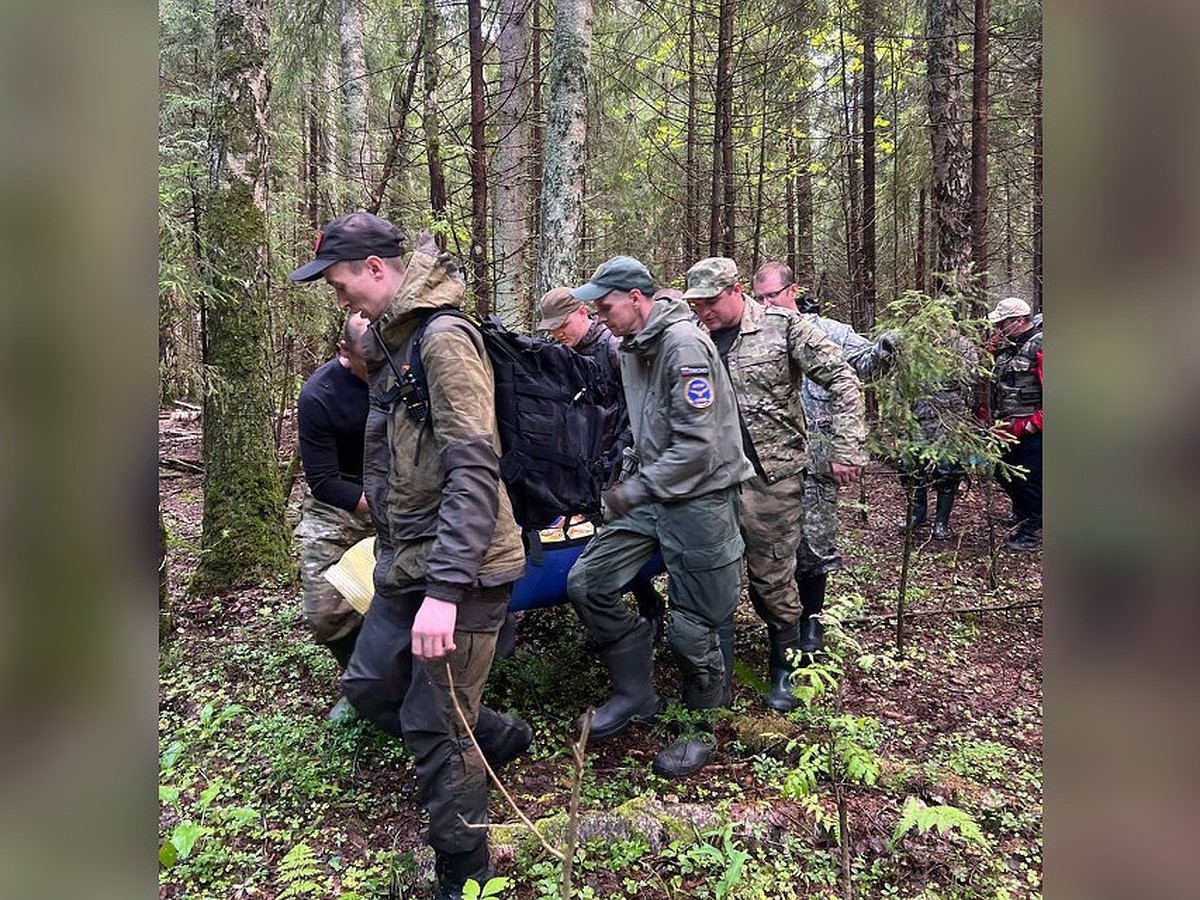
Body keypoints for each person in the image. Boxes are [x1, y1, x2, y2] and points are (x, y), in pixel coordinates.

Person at [289, 212, 532, 900]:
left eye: (339, 283)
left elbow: (473, 470)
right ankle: (497, 735)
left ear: (374, 269)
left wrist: (447, 591)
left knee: (435, 726)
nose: (338, 298)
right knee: (368, 686)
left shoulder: (445, 341)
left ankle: (465, 872)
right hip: (407, 560)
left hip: (465, 566)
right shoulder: (393, 344)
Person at [564, 255, 753, 779]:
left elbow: (698, 447)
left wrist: (635, 489)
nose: (600, 318)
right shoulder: (632, 348)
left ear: (636, 298)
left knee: (696, 627)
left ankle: (702, 727)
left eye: (606, 307)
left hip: (701, 499)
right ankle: (635, 693)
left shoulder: (683, 347)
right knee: (588, 582)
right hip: (653, 492)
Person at [686, 258, 866, 713]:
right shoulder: (690, 337)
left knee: (772, 576)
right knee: (714, 574)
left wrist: (846, 447)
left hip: (770, 478)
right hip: (709, 480)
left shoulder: (783, 326)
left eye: (711, 301)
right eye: (697, 303)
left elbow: (843, 379)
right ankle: (716, 673)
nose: (704, 310)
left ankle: (784, 665)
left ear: (736, 290)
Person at [751, 262, 899, 657]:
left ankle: (811, 622)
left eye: (773, 295)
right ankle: (780, 623)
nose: (767, 304)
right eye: (760, 297)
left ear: (793, 291)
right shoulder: (756, 339)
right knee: (772, 549)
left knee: (814, 547)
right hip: (770, 465)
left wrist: (887, 347)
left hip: (817, 465)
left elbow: (865, 365)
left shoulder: (828, 332)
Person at [536, 286, 666, 628]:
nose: (557, 333)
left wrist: (623, 457)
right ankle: (632, 607)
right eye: (551, 328)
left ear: (582, 313)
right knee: (598, 533)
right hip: (587, 460)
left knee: (619, 531)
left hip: (623, 460)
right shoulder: (561, 352)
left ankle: (649, 612)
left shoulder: (614, 347)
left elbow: (637, 406)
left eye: (561, 324)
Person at [294, 312, 375, 720]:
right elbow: (323, 481)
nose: (378, 366)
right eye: (368, 358)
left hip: (410, 492)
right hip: (343, 501)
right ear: (344, 352)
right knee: (325, 608)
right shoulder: (319, 394)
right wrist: (379, 505)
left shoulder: (409, 376)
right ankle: (360, 679)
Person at [897, 328, 980, 540]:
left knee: (947, 470)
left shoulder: (962, 345)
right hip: (916, 415)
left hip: (948, 417)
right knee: (909, 466)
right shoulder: (914, 341)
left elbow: (971, 380)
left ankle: (941, 522)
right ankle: (917, 513)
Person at [985, 296, 1042, 551]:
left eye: (1002, 323)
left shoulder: (1040, 346)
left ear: (1019, 321)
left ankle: (1031, 532)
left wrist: (1034, 424)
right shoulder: (1008, 347)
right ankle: (1021, 512)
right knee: (1002, 472)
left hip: (1033, 429)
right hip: (1007, 427)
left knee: (1031, 482)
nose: (998, 328)